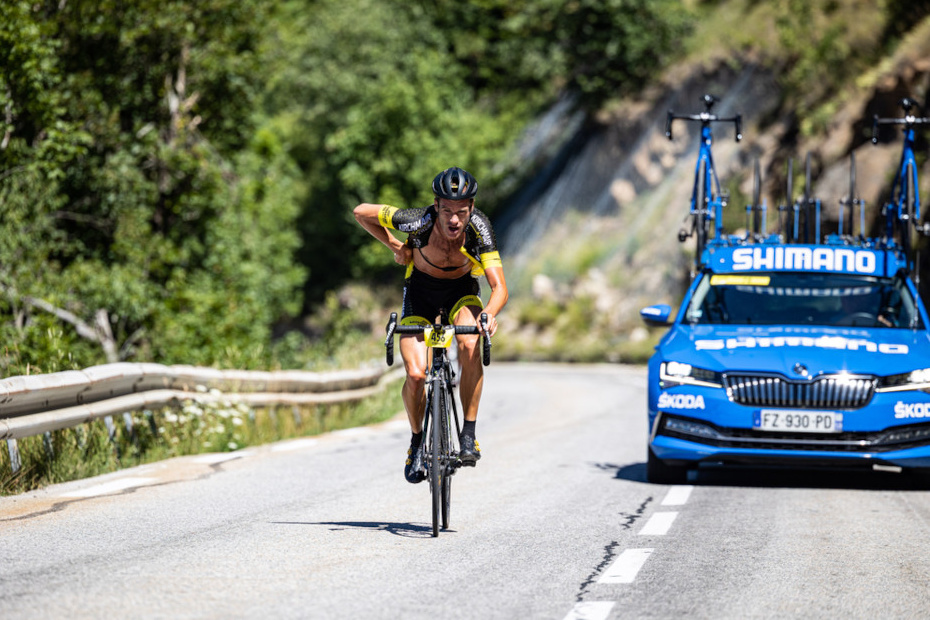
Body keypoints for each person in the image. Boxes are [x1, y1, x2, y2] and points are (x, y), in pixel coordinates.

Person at [354, 167, 508, 483]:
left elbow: (500, 288)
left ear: (471, 207)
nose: (454, 220)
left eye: (462, 212)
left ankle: (468, 434)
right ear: (436, 206)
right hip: (420, 294)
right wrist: (395, 245)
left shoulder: (480, 228)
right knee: (415, 374)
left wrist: (489, 314)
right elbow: (361, 213)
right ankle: (415, 440)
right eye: (447, 211)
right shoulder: (416, 221)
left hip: (461, 291)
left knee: (469, 344)